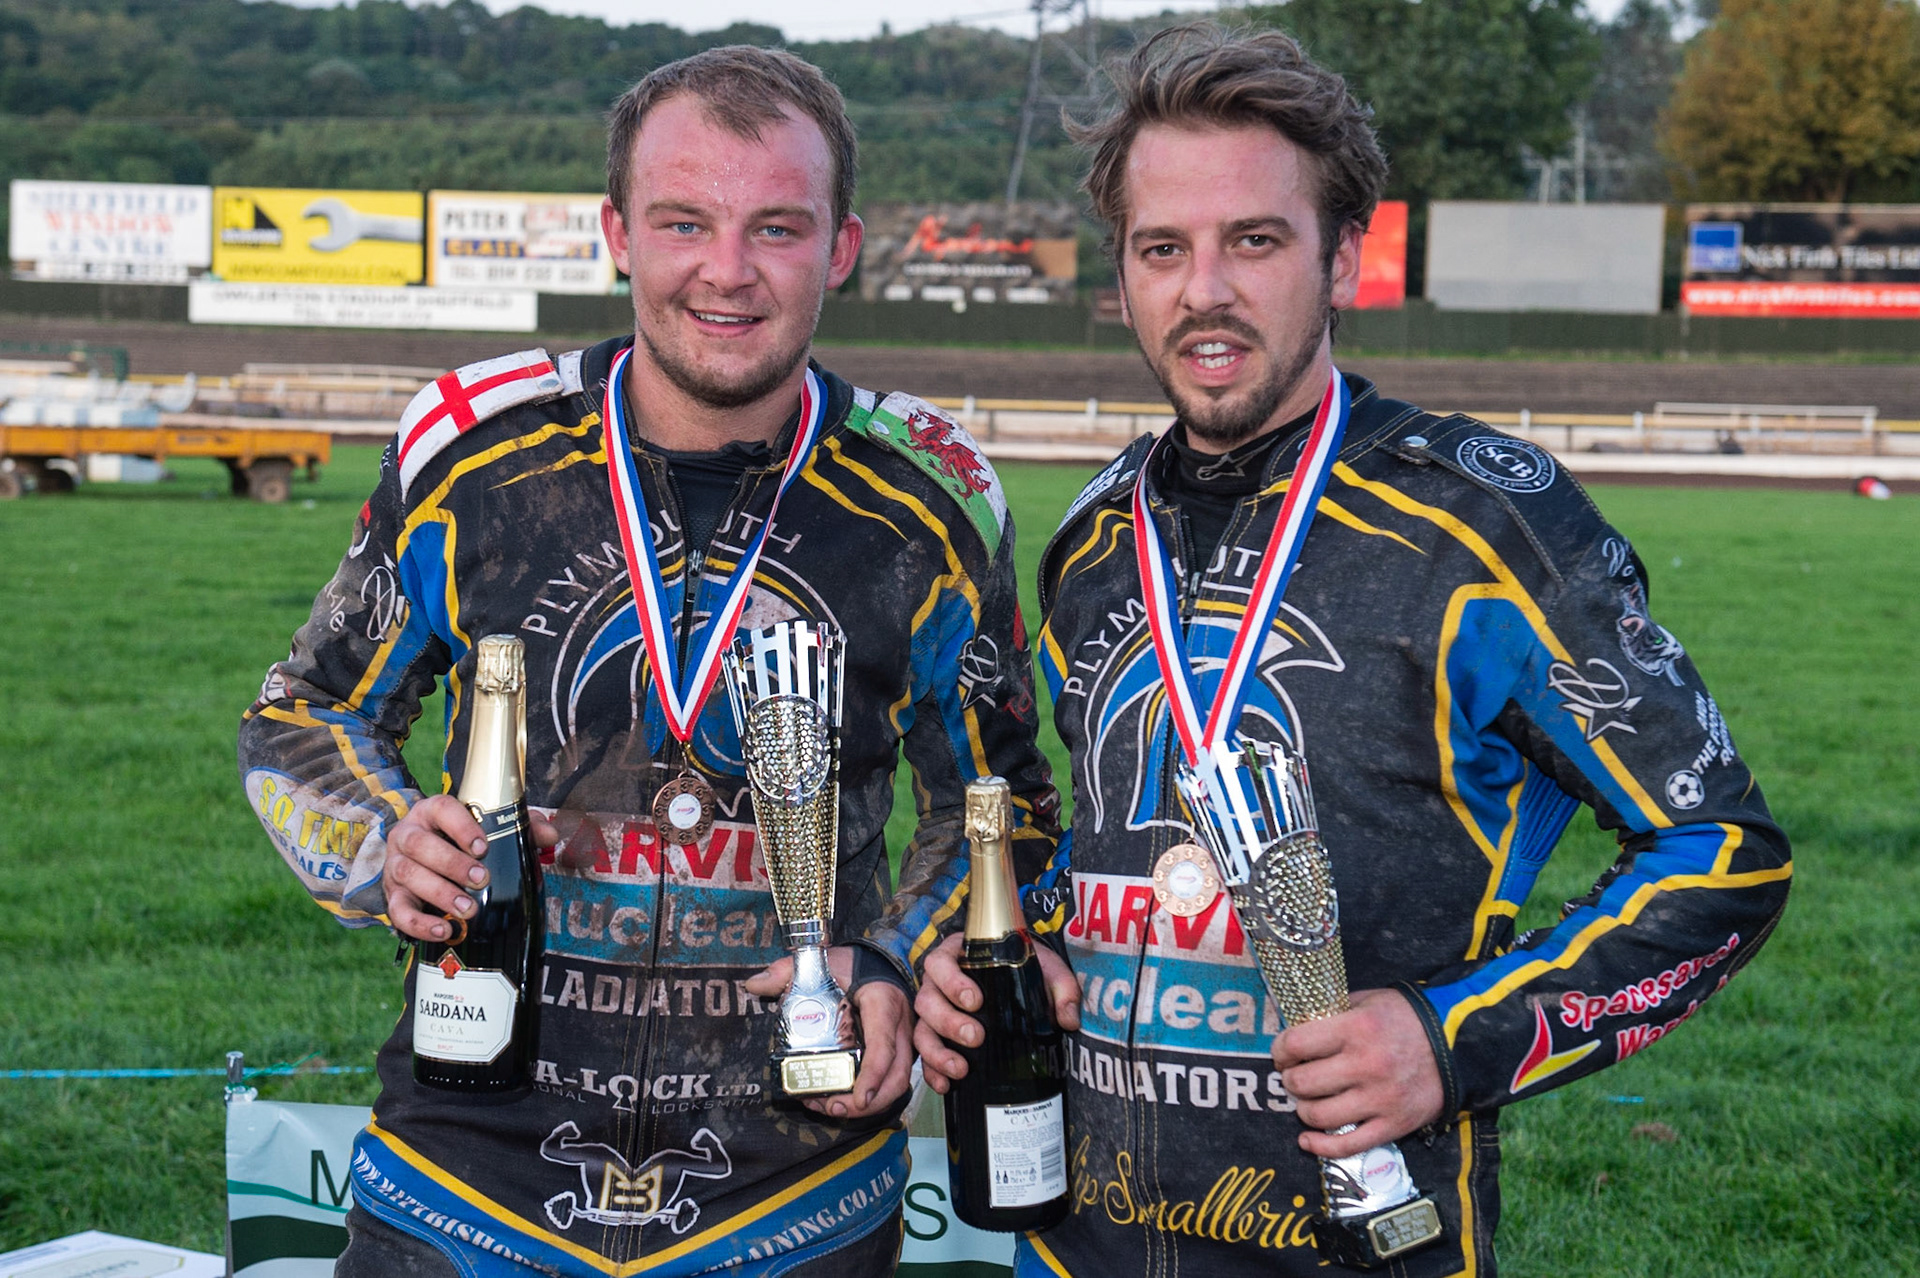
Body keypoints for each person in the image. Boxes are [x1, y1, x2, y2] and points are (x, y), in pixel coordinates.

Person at [914, 24, 1790, 1277]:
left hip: (1358, 1245)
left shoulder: (1487, 525)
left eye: (1254, 242)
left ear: (1343, 260)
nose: (1203, 289)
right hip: (1074, 1247)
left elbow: (1725, 857)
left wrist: (1453, 1040)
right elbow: (1072, 838)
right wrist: (1008, 954)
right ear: (1122, 277)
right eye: (1164, 248)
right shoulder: (1093, 540)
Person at [239, 45, 1058, 1278]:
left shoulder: (931, 502)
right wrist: (382, 841)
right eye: (685, 222)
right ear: (618, 232)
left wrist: (896, 962)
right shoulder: (471, 455)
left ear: (841, 248)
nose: (726, 272)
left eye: (776, 227)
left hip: (796, 1199)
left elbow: (1001, 808)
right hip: (466, 1185)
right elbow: (300, 715)